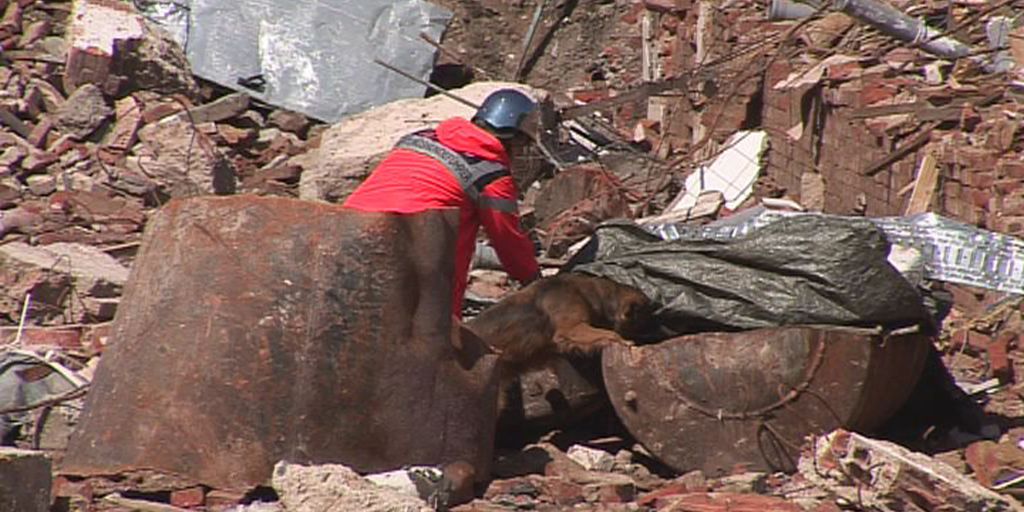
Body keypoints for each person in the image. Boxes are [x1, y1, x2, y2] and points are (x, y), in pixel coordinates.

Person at [343, 89, 542, 318]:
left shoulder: (420, 137)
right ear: (515, 137)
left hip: (348, 226)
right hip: (410, 243)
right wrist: (533, 279)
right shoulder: (492, 175)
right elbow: (508, 242)